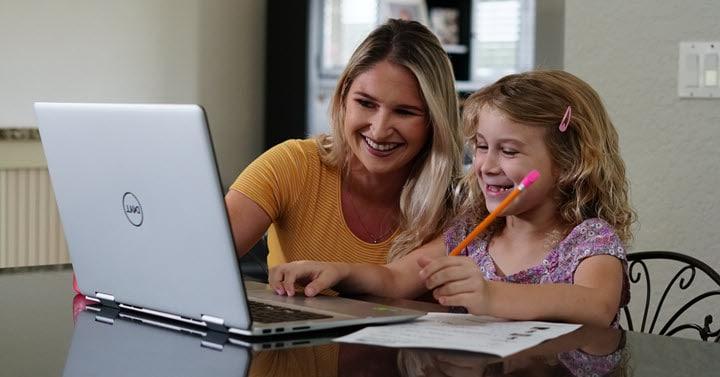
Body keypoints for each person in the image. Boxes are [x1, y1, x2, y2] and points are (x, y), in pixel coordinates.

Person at [269, 70, 636, 327]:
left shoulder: (588, 240)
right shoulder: (471, 233)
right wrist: (338, 271)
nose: (487, 165)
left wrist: (491, 297)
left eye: (508, 151)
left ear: (569, 163)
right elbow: (396, 280)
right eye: (480, 147)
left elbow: (596, 305)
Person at [224, 18, 462, 269]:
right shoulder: (292, 165)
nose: (379, 131)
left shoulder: (457, 207)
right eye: (366, 103)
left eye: (404, 112)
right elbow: (200, 262)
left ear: (435, 121)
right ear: (344, 97)